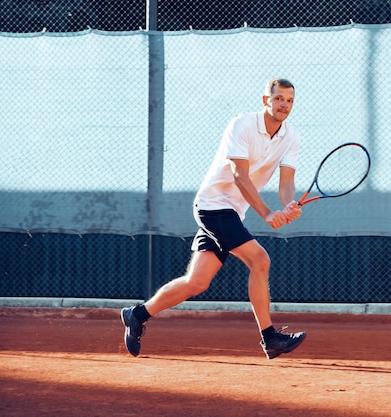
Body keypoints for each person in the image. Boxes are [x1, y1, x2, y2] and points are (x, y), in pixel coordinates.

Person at [121, 78, 306, 359]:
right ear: (265, 100)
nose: (284, 105)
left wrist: (288, 203)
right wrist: (268, 213)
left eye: (290, 101)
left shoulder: (291, 136)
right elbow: (239, 175)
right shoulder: (242, 125)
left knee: (197, 282)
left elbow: (286, 182)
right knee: (260, 260)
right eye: (279, 98)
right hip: (213, 205)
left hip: (233, 212)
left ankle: (137, 314)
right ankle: (270, 338)